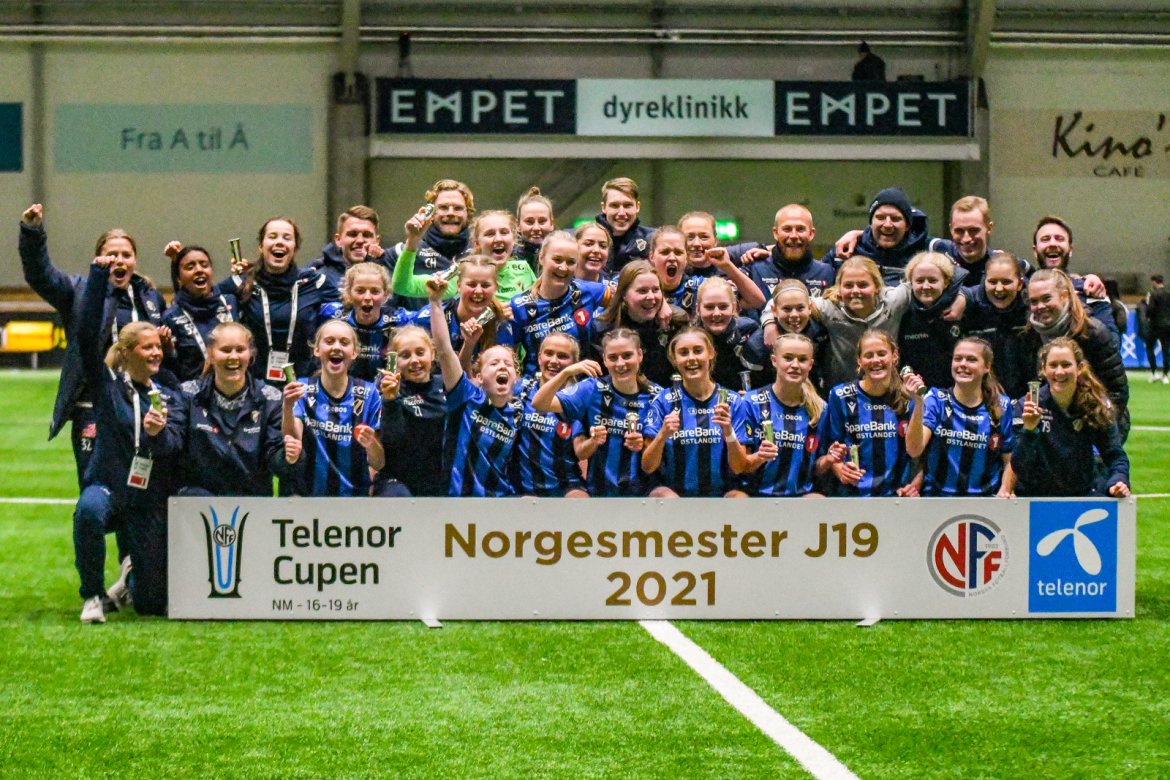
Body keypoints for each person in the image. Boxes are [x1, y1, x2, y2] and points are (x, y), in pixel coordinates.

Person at [19, 204, 168, 490]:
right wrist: (32, 232)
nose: (119, 260)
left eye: (126, 255)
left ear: (135, 260)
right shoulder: (79, 292)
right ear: (98, 258)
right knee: (96, 487)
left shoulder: (150, 298)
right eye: (112, 254)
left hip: (142, 403)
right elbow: (40, 275)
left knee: (145, 489)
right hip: (93, 405)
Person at [73, 256, 181, 622]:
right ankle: (92, 595)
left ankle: (131, 576)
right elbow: (86, 335)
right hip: (109, 486)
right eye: (147, 347)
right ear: (127, 352)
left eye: (158, 347)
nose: (156, 353)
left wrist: (157, 434)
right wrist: (98, 277)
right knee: (88, 511)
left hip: (146, 497)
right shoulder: (108, 387)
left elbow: (173, 445)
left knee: (150, 605)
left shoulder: (168, 393)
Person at [171, 322, 297, 496]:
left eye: (240, 350)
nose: (233, 357)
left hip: (252, 503)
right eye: (225, 350)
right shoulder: (187, 395)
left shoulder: (271, 398)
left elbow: (277, 461)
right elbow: (170, 445)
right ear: (211, 355)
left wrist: (288, 456)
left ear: (250, 355)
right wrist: (157, 433)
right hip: (198, 502)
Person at [534, 328, 661, 496]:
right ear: (604, 360)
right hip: (599, 494)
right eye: (613, 357)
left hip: (645, 495)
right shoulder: (592, 389)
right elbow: (539, 404)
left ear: (639, 355)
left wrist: (643, 445)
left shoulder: (657, 396)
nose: (620, 364)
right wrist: (566, 372)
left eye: (627, 355)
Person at [427, 274, 523, 496]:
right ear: (478, 377)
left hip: (500, 502)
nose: (502, 366)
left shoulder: (519, 412)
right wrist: (435, 301)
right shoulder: (466, 396)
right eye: (494, 363)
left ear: (516, 377)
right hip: (457, 500)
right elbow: (444, 350)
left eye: (508, 364)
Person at [1004, 337, 1130, 497]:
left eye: (1066, 365)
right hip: (1035, 499)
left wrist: (1118, 481)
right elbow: (1019, 467)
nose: (1059, 372)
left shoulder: (1095, 405)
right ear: (1043, 369)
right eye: (1053, 365)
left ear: (1080, 368)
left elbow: (1115, 455)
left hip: (1080, 497)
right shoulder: (1026, 407)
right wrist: (1029, 430)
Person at [728, 333, 845, 497]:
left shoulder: (820, 409)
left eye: (802, 359)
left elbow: (816, 469)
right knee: (736, 499)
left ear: (810, 365)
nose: (795, 365)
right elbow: (740, 466)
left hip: (799, 497)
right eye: (788, 358)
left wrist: (828, 460)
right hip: (753, 495)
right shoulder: (750, 402)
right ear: (774, 360)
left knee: (817, 500)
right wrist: (760, 457)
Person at [281, 320, 385, 497]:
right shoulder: (302, 389)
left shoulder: (369, 393)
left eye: (344, 342)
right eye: (329, 341)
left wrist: (370, 444)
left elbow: (379, 463)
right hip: (307, 497)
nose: (336, 347)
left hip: (354, 499)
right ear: (316, 350)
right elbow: (293, 439)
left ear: (354, 352)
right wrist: (287, 407)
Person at [1021, 269, 1129, 439]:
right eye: (1034, 301)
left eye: (1047, 299)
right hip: (1049, 427)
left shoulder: (1094, 332)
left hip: (1097, 424)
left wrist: (1100, 431)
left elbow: (1117, 392)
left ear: (1064, 296)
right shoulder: (1029, 333)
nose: (1040, 306)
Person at [641, 327, 749, 497]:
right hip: (674, 493)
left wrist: (729, 432)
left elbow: (740, 467)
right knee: (663, 496)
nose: (691, 358)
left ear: (711, 353)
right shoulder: (663, 401)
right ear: (674, 359)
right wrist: (663, 435)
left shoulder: (733, 401)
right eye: (683, 353)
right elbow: (648, 466)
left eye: (698, 351)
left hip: (723, 493)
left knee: (740, 500)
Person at [224, 216, 331, 385]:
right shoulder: (242, 282)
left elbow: (354, 299)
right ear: (261, 246)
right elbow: (202, 297)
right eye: (272, 236)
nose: (280, 242)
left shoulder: (313, 282)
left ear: (295, 248)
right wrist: (179, 261)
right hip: (255, 386)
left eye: (287, 238)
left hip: (304, 383)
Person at [904, 338, 1015, 497]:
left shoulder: (1001, 405)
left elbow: (1009, 460)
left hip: (985, 502)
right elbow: (914, 450)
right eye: (958, 358)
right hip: (937, 499)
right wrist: (918, 402)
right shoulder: (936, 399)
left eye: (971, 359)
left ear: (987, 367)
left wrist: (1005, 489)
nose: (962, 364)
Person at [821, 330, 919, 497]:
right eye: (868, 355)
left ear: (894, 356)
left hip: (897, 497)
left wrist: (913, 487)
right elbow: (831, 449)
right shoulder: (840, 396)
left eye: (882, 354)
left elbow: (919, 453)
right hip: (851, 496)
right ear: (859, 360)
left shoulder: (909, 398)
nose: (875, 360)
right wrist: (840, 470)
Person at [510, 231, 610, 376]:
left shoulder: (590, 291)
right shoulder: (519, 306)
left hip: (581, 385)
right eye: (557, 260)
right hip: (537, 385)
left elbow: (627, 300)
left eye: (570, 262)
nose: (563, 268)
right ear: (542, 258)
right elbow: (509, 356)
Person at [513, 333, 589, 497]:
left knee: (580, 501)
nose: (554, 361)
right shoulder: (521, 389)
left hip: (567, 486)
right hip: (524, 489)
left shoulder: (579, 399)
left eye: (562, 356)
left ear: (574, 363)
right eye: (549, 353)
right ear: (539, 357)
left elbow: (582, 454)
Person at [375, 325, 447, 497]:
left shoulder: (446, 385)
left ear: (433, 354)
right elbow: (391, 441)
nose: (414, 360)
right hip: (397, 479)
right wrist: (390, 400)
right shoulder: (388, 387)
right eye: (405, 355)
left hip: (438, 479)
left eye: (420, 353)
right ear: (395, 361)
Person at [590, 260, 687, 386]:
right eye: (642, 291)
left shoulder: (676, 321)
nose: (651, 297)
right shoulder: (602, 329)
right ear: (624, 294)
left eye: (655, 290)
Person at [411, 254, 513, 368]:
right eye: (471, 284)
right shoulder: (430, 318)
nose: (478, 291)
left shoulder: (500, 325)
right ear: (459, 286)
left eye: (485, 285)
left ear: (495, 288)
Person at [386, 179, 474, 309]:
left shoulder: (481, 254)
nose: (450, 213)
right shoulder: (398, 253)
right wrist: (412, 240)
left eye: (458, 208)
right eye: (443, 207)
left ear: (469, 213)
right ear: (431, 213)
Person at [318, 262, 411, 382]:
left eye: (375, 291)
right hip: (341, 390)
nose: (367, 297)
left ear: (386, 295)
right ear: (349, 293)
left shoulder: (398, 319)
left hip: (386, 391)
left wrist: (434, 298)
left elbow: (429, 315)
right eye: (360, 291)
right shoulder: (332, 314)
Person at [1030, 215, 1118, 339]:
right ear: (1035, 251)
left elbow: (1113, 344)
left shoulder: (1090, 289)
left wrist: (1076, 309)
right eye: (1045, 239)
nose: (1053, 243)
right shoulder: (1022, 290)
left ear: (1070, 250)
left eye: (1059, 239)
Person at [161, 243, 237, 383]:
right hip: (194, 392)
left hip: (236, 385)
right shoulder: (171, 317)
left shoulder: (231, 302)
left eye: (204, 265)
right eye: (190, 267)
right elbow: (170, 371)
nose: (199, 270)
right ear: (178, 277)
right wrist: (168, 353)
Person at [959, 253, 1031, 399]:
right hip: (985, 394)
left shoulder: (1032, 305)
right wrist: (986, 376)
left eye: (1006, 282)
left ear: (1020, 284)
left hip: (1028, 394)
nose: (999, 288)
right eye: (992, 282)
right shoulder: (970, 304)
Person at [821, 188, 929, 284]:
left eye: (895, 219)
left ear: (907, 225)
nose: (887, 225)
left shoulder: (927, 251)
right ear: (871, 223)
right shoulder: (847, 250)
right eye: (880, 217)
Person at [650, 226, 764, 316]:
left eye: (678, 252)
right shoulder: (642, 287)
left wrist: (728, 266)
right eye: (664, 252)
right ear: (651, 257)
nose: (672, 258)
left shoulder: (700, 286)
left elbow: (757, 301)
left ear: (686, 257)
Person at [746, 205, 836, 314]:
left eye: (800, 229)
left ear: (811, 234)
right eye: (787, 229)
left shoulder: (827, 272)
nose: (793, 235)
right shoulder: (756, 270)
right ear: (775, 233)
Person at [747, 279, 829, 392]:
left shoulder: (822, 333)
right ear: (774, 310)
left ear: (810, 308)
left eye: (800, 308)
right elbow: (751, 387)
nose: (794, 315)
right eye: (787, 309)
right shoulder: (758, 344)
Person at [897, 251, 964, 390]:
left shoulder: (961, 308)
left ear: (946, 282)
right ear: (910, 282)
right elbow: (902, 360)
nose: (926, 286)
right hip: (918, 394)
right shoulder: (903, 313)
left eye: (933, 280)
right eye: (919, 281)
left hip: (959, 393)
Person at [304, 205, 395, 294]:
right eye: (352, 234)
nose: (360, 240)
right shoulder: (320, 279)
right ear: (338, 240)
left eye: (366, 235)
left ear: (377, 241)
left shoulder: (392, 276)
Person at [694, 277, 765, 391]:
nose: (716, 313)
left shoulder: (750, 330)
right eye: (709, 307)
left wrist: (751, 397)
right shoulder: (688, 338)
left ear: (734, 307)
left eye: (723, 307)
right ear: (698, 309)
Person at [469, 209, 536, 303]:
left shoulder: (524, 268)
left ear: (514, 239)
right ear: (476, 243)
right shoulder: (465, 273)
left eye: (504, 232)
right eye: (490, 234)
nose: (498, 239)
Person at [595, 177, 655, 272]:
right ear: (603, 207)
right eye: (614, 205)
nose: (622, 213)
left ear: (637, 207)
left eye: (627, 205)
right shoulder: (583, 239)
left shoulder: (653, 239)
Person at [514, 186, 555, 273]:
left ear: (551, 224)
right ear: (518, 225)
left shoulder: (562, 256)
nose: (536, 228)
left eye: (542, 221)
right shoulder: (509, 259)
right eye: (529, 222)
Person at [1146, 273, 1170, 383]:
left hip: (1156, 325)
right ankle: (1165, 375)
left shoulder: (1153, 294)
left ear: (1154, 282)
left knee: (1149, 346)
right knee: (1166, 349)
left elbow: (1151, 309)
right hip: (1168, 325)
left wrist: (1147, 317)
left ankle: (1154, 372)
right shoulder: (1168, 293)